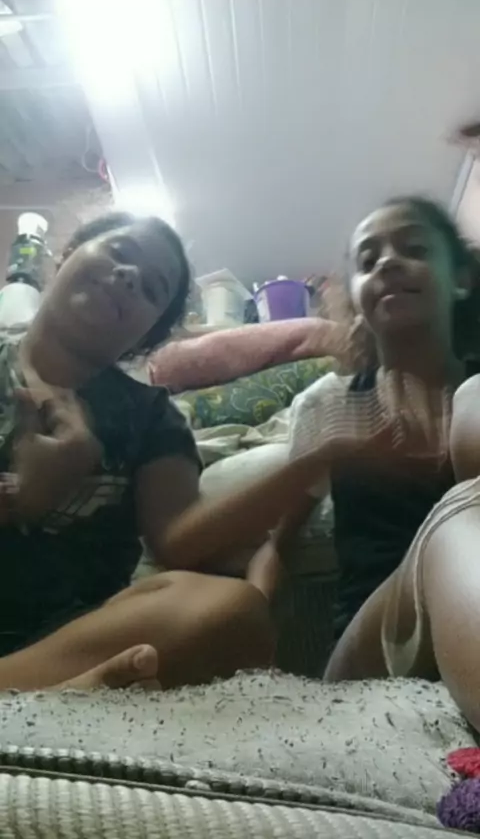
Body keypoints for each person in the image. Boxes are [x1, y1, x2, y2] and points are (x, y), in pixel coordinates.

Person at [158, 196, 480, 688]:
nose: (388, 263)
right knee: (448, 537)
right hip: (376, 643)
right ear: (357, 301)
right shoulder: (331, 403)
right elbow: (279, 544)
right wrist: (255, 632)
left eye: (414, 248)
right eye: (368, 261)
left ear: (461, 279)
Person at [0, 211, 274, 691]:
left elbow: (178, 539)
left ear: (147, 336)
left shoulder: (151, 417)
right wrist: (24, 498)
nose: (128, 276)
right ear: (67, 255)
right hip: (68, 682)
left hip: (61, 646)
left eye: (151, 289)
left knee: (230, 611)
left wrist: (309, 467)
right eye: (119, 252)